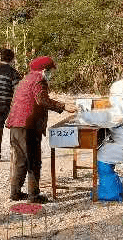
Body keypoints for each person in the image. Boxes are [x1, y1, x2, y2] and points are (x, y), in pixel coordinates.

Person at [6, 56, 76, 203]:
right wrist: (63, 106)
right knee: (33, 160)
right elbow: (41, 100)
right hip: (28, 125)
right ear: (45, 70)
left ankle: (15, 192)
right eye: (51, 71)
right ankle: (34, 195)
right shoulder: (39, 79)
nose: (52, 74)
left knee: (20, 160)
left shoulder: (27, 78)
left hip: (17, 124)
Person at [77, 79, 123, 201]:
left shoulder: (122, 109)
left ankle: (110, 192)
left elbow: (104, 118)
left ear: (118, 95)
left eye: (112, 95)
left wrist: (84, 116)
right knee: (107, 149)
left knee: (101, 155)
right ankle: (114, 184)